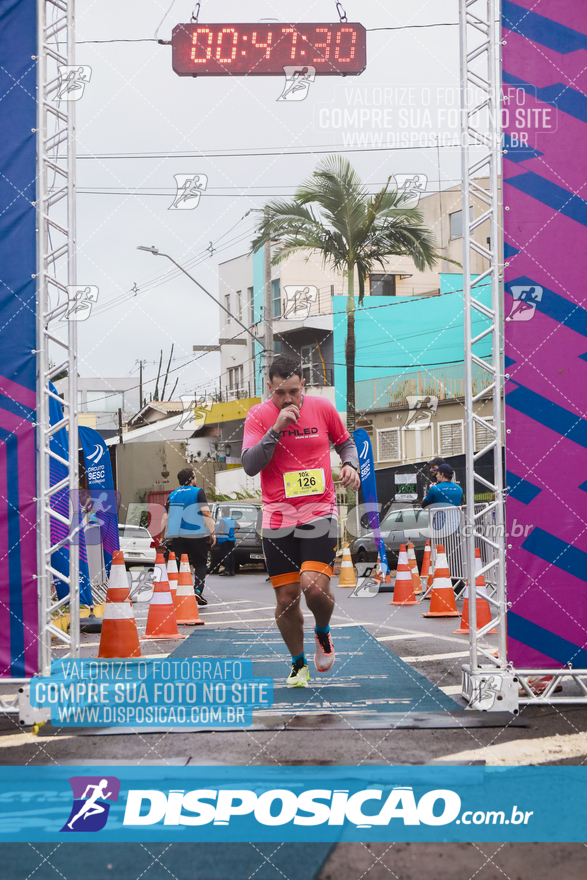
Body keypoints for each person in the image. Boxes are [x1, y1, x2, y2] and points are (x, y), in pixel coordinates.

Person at [241, 356, 360, 688]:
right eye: (280, 393)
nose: (288, 400)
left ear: (303, 385)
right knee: (286, 597)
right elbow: (250, 465)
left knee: (312, 584)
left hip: (320, 511)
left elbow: (345, 443)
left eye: (293, 391)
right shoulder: (259, 416)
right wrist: (276, 428)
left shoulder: (322, 409)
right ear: (269, 388)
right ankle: (298, 664)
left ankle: (322, 631)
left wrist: (350, 463)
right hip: (278, 516)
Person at [161, 467, 216, 606]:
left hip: (176, 536)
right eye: (195, 477)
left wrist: (163, 536)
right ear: (192, 479)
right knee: (200, 563)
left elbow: (165, 517)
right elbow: (206, 513)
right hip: (196, 534)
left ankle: (181, 594)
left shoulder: (172, 494)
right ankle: (197, 590)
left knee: (180, 565)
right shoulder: (198, 492)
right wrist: (212, 532)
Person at [217, 506, 237, 577]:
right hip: (231, 539)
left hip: (224, 540)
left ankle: (227, 570)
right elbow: (238, 527)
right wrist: (233, 533)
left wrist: (218, 535)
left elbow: (221, 531)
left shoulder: (223, 520)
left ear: (222, 513)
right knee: (231, 555)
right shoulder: (232, 519)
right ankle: (232, 571)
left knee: (225, 555)